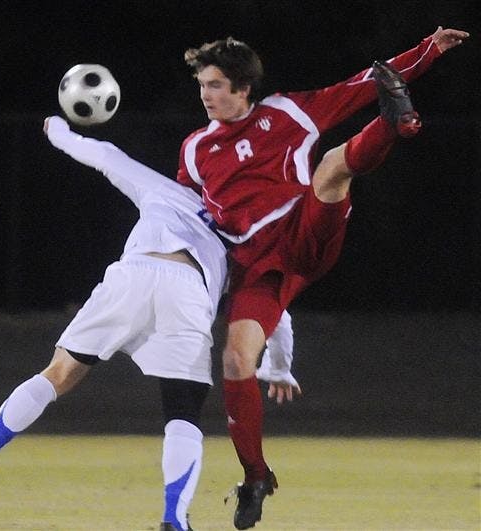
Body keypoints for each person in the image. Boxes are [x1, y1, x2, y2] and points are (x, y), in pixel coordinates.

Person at [0, 115, 297, 531]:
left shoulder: (169, 190)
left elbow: (108, 156)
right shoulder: (247, 231)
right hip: (188, 291)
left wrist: (58, 132)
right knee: (182, 413)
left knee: (58, 373)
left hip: (134, 274)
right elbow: (272, 304)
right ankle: (173, 520)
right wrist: (281, 364)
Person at [177, 26, 468, 529]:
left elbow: (366, 80)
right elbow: (183, 214)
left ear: (245, 88)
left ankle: (394, 125)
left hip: (304, 229)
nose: (207, 94)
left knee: (333, 166)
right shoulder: (194, 151)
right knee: (234, 358)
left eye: (217, 84)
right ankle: (255, 477)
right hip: (257, 268)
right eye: (203, 85)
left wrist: (429, 50)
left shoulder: (289, 113)